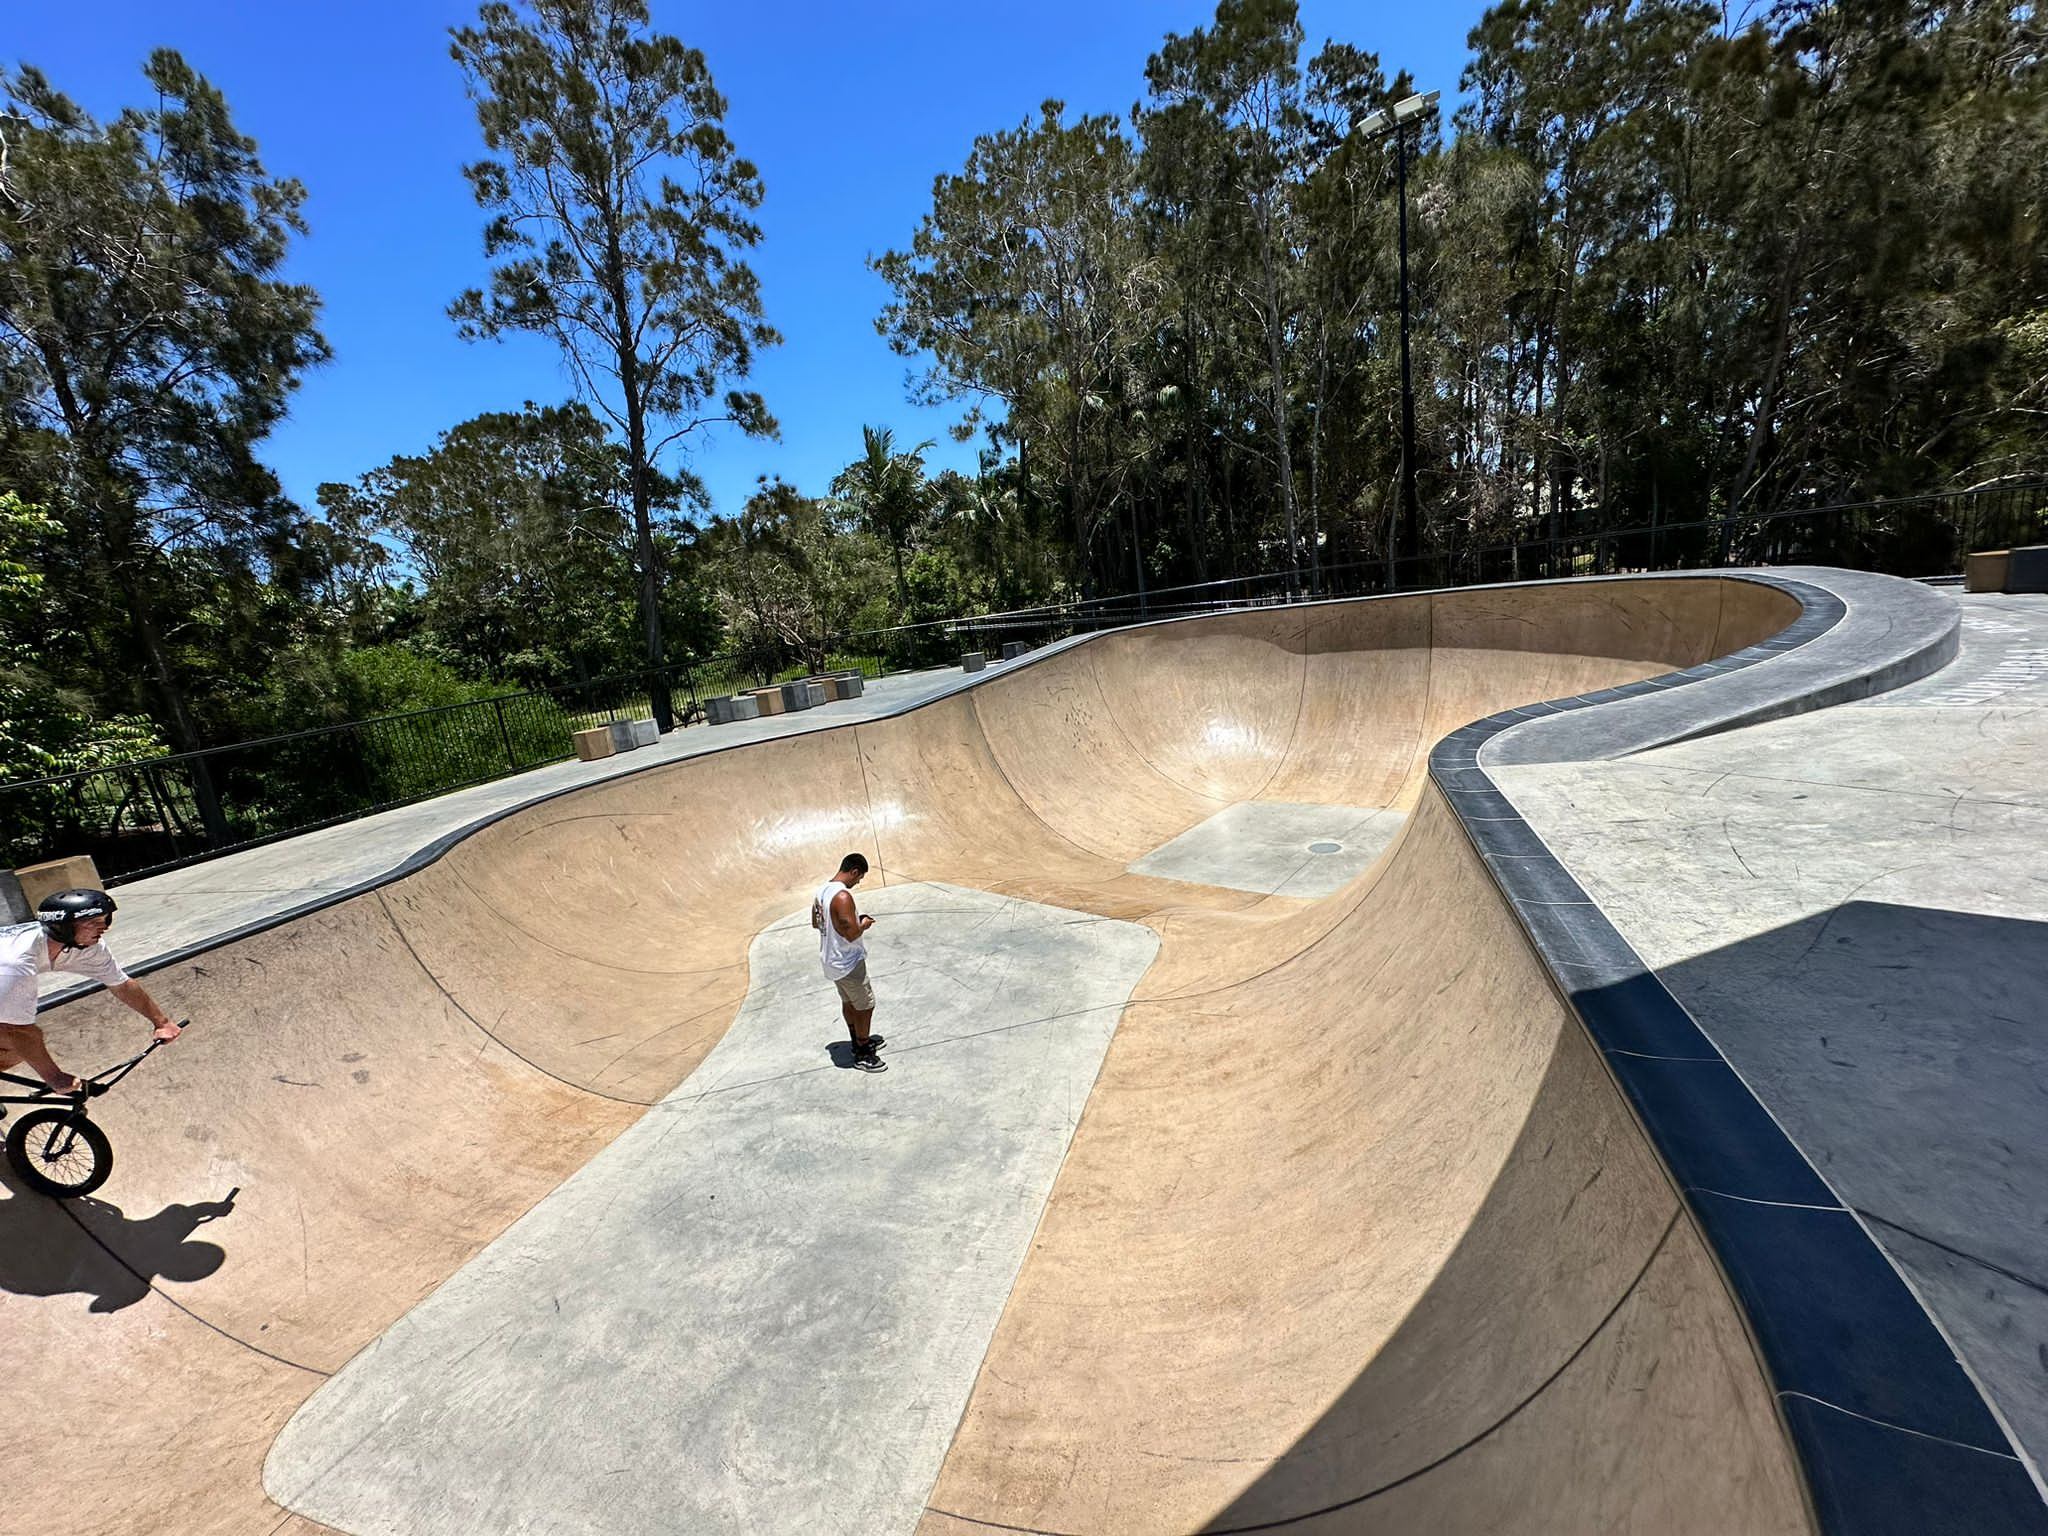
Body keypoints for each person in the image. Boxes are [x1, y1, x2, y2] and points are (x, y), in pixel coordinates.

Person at [0, 889, 180, 1096]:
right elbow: (17, 1031)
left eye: (105, 919)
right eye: (93, 922)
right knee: (14, 1040)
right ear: (64, 927)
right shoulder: (15, 959)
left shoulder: (88, 948)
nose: (103, 927)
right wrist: (55, 1078)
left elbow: (121, 984)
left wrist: (161, 1022)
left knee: (14, 1049)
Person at [811, 853, 885, 1072]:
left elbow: (816, 923)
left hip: (831, 960)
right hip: (848, 962)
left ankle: (856, 1041)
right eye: (859, 878)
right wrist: (863, 923)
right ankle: (863, 1052)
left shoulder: (822, 891)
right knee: (865, 1006)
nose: (858, 882)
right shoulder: (842, 896)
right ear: (853, 871)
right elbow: (852, 934)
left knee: (849, 1003)